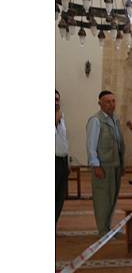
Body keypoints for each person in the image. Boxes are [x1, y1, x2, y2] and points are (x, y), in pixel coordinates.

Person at [86, 90, 125, 236]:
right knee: (103, 199)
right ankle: (102, 230)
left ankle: (108, 228)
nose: (111, 104)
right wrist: (96, 165)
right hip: (103, 167)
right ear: (100, 103)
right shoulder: (95, 121)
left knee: (112, 198)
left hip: (115, 165)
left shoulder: (115, 120)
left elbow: (119, 144)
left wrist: (121, 165)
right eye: (108, 101)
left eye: (113, 101)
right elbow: (91, 146)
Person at [55, 90, 70, 225]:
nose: (56, 102)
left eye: (57, 99)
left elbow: (64, 140)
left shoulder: (61, 116)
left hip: (62, 161)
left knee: (60, 197)